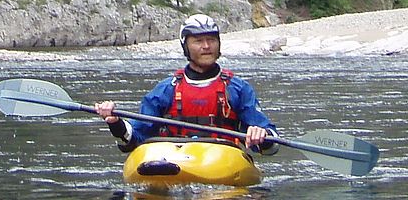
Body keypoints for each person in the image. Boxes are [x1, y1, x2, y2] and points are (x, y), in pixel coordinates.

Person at [95, 13, 276, 153]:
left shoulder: (237, 89)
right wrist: (116, 123)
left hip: (222, 159)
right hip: (174, 159)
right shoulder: (166, 90)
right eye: (198, 41)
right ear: (186, 46)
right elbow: (136, 137)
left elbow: (271, 143)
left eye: (211, 40)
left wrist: (262, 135)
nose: (206, 46)